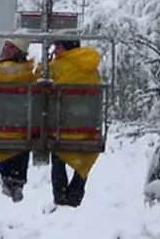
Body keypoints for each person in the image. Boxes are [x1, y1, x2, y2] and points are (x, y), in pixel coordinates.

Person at [46, 38, 102, 208]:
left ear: (66, 48)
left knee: (57, 153)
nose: (55, 51)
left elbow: (39, 81)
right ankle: (76, 190)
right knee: (85, 156)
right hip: (86, 129)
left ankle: (60, 193)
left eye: (57, 47)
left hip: (61, 128)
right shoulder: (91, 67)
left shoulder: (57, 67)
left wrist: (45, 65)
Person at [0, 37, 35, 202]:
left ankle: (8, 180)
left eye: (7, 47)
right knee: (22, 149)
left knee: (3, 152)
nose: (3, 49)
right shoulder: (28, 76)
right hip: (22, 132)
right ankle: (18, 182)